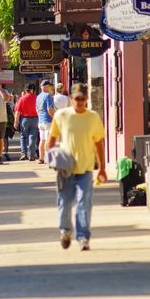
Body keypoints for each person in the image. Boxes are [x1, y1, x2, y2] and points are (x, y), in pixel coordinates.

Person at [47, 83, 107, 251]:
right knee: (64, 203)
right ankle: (65, 231)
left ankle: (83, 237)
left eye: (82, 99)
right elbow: (51, 139)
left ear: (86, 99)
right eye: (76, 99)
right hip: (65, 170)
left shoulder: (93, 117)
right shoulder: (61, 116)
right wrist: (53, 158)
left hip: (86, 169)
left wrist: (101, 167)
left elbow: (98, 143)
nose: (79, 102)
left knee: (83, 203)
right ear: (71, 99)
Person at [13, 83, 39, 161]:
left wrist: (16, 122)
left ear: (25, 90)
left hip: (24, 119)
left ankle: (24, 154)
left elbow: (17, 112)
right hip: (35, 119)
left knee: (23, 137)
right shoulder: (36, 98)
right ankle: (31, 155)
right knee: (32, 137)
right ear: (32, 90)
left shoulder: (22, 98)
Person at [36, 80, 56, 164]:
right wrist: (54, 117)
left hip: (40, 121)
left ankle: (41, 158)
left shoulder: (38, 96)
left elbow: (36, 109)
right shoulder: (48, 96)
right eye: (50, 86)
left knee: (42, 140)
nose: (51, 88)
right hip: (48, 121)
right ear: (46, 87)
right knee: (48, 140)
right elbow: (49, 109)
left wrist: (40, 117)